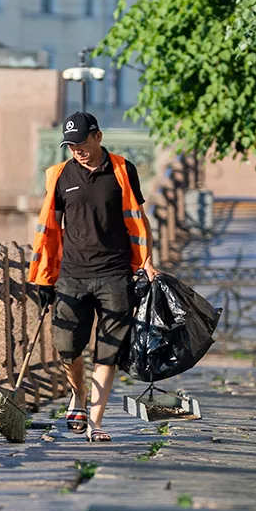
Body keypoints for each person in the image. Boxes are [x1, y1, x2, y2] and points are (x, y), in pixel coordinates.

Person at [28, 111, 158, 443]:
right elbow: (49, 232)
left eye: (82, 143)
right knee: (67, 347)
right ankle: (80, 395)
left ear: (97, 137)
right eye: (71, 145)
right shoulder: (58, 176)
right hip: (73, 275)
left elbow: (138, 221)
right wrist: (44, 279)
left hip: (115, 274)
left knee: (108, 350)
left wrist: (146, 262)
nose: (77, 150)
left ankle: (95, 423)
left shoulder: (122, 169)